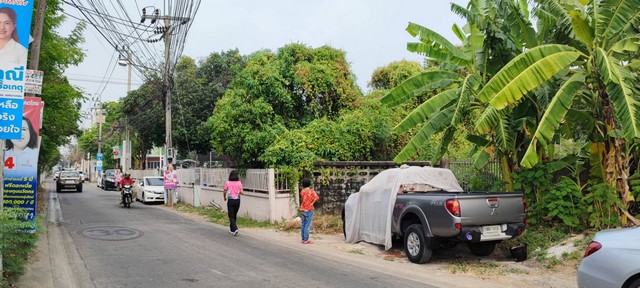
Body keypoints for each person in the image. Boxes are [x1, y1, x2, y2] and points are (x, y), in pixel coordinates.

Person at [223, 170, 244, 236]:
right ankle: (231, 229)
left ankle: (235, 228)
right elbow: (242, 192)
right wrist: (239, 192)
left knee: (231, 215)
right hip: (237, 200)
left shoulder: (228, 183)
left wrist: (224, 197)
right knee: (234, 214)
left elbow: (225, 191)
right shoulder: (239, 183)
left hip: (231, 200)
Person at [299, 178, 319, 244]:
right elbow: (316, 197)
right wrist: (312, 203)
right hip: (309, 209)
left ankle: (303, 238)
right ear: (309, 184)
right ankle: (306, 239)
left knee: (303, 224)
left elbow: (303, 197)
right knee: (307, 225)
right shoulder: (311, 191)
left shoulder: (302, 192)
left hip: (303, 209)